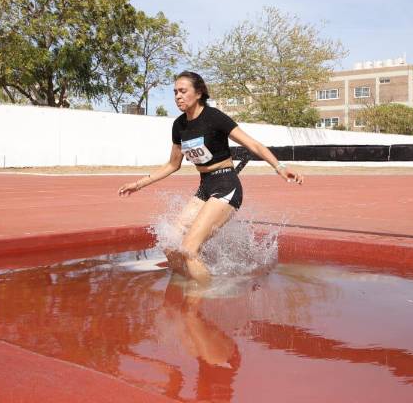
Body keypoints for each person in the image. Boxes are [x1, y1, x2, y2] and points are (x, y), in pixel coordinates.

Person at [118, 71, 303, 282]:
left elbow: (252, 144)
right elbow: (173, 164)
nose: (178, 96)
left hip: (226, 185)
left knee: (189, 249)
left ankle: (206, 292)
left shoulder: (214, 117)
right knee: (171, 246)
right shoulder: (179, 126)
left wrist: (279, 167)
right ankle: (187, 284)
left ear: (198, 93)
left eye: (183, 91)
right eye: (175, 92)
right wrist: (138, 184)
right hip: (205, 187)